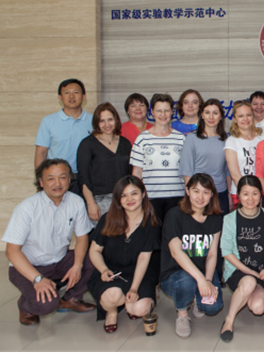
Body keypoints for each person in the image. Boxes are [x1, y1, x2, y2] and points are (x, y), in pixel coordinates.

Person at [3, 159, 96, 326]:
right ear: (41, 182)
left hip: (59, 260)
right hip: (29, 266)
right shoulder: (27, 208)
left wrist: (77, 265)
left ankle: (69, 299)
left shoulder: (76, 202)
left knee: (96, 258)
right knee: (46, 305)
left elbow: (82, 237)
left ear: (69, 179)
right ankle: (25, 306)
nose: (57, 183)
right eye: (51, 178)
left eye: (62, 177)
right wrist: (37, 278)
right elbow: (12, 251)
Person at [87, 176, 161, 333]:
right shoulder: (108, 219)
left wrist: (134, 288)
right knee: (112, 297)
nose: (129, 199)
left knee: (140, 309)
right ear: (118, 199)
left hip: (141, 273)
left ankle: (131, 303)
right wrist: (103, 269)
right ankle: (112, 312)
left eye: (134, 193)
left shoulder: (152, 222)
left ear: (143, 194)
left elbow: (144, 257)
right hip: (113, 271)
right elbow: (94, 250)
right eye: (124, 195)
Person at [160, 174, 224, 338]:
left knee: (212, 307)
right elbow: (176, 252)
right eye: (196, 191)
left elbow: (212, 254)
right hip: (176, 274)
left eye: (205, 192)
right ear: (187, 191)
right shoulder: (175, 215)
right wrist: (201, 280)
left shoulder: (215, 218)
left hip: (202, 272)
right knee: (187, 280)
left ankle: (197, 297)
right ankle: (182, 313)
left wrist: (207, 280)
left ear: (211, 195)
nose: (200, 197)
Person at [219, 175, 264, 342]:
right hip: (238, 270)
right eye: (245, 194)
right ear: (238, 195)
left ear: (261, 195)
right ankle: (229, 320)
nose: (250, 199)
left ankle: (248, 293)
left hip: (262, 270)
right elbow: (226, 252)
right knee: (249, 282)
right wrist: (249, 272)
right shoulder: (230, 219)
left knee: (257, 308)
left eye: (254, 193)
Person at [130, 93, 185, 222]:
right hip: (151, 197)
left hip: (177, 196)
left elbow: (186, 170)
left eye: (166, 110)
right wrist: (137, 195)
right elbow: (137, 173)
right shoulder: (142, 138)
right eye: (159, 111)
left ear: (172, 112)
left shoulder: (180, 138)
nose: (163, 114)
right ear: (152, 112)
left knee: (174, 232)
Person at [35, 78, 93, 196]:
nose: (71, 96)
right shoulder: (48, 121)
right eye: (67, 93)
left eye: (76, 92)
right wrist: (40, 183)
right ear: (60, 97)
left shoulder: (93, 121)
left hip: (87, 178)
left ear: (84, 96)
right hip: (58, 180)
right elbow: (41, 153)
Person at [77, 103, 132, 226]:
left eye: (110, 119)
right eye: (102, 121)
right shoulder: (87, 144)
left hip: (124, 199)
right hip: (100, 201)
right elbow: (83, 178)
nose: (107, 124)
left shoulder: (125, 143)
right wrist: (91, 203)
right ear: (96, 123)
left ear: (116, 120)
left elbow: (130, 175)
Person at [180, 98, 230, 216]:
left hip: (220, 193)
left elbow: (228, 171)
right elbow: (187, 170)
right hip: (199, 194)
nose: (211, 117)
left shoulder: (226, 140)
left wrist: (229, 194)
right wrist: (191, 195)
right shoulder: (192, 138)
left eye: (215, 113)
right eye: (207, 112)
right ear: (202, 115)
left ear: (221, 116)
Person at [224, 100, 264, 209]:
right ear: (235, 119)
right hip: (240, 194)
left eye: (248, 115)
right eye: (241, 116)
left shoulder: (262, 139)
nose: (245, 119)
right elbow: (235, 175)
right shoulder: (231, 141)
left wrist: (258, 193)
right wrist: (249, 194)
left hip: (261, 193)